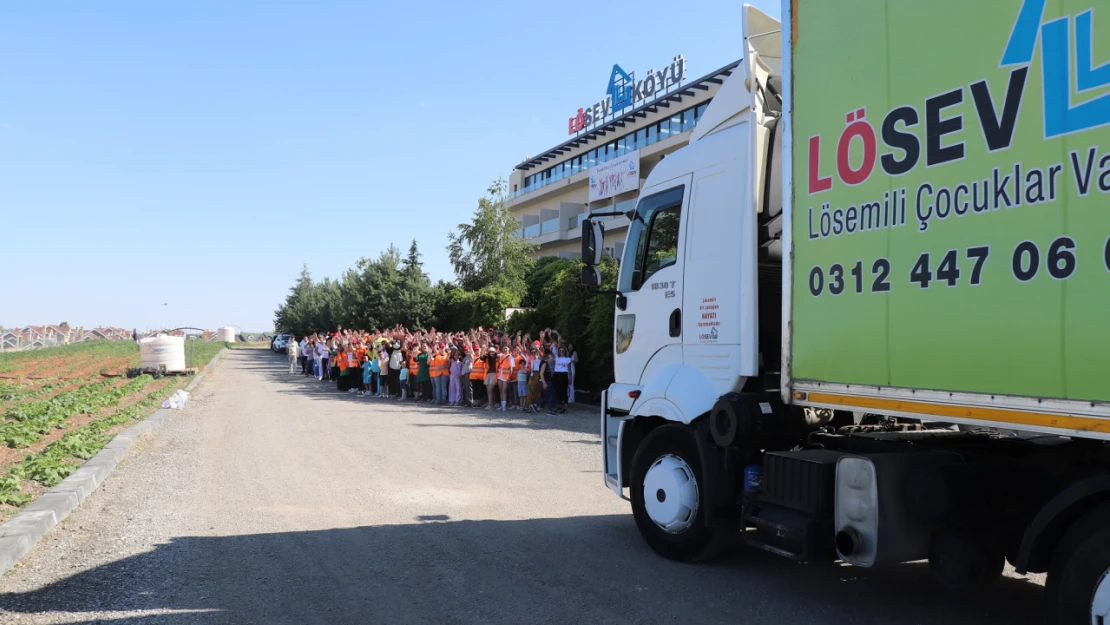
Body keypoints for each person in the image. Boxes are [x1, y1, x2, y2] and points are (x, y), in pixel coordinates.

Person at [554, 346, 571, 413]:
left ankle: (565, 408)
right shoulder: (556, 357)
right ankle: (559, 406)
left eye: (562, 351)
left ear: (565, 351)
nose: (561, 352)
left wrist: (570, 377)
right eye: (560, 351)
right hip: (557, 374)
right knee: (557, 391)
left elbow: (569, 370)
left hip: (564, 374)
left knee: (564, 391)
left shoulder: (567, 359)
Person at [496, 344, 513, 412]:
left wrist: (509, 377)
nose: (505, 350)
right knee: (500, 390)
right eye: (504, 348)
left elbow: (511, 368)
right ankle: (501, 405)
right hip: (500, 375)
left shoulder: (510, 357)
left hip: (506, 376)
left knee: (504, 390)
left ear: (508, 349)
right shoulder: (501, 356)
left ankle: (504, 406)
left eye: (506, 348)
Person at [539, 347, 555, 415]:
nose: (550, 356)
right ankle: (549, 410)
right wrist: (544, 383)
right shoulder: (544, 363)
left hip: (545, 381)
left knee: (548, 396)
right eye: (550, 355)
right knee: (552, 394)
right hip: (545, 381)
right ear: (548, 355)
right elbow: (541, 373)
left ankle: (536, 405)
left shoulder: (543, 362)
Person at [484, 347, 499, 411]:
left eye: (492, 352)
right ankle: (491, 404)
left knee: (490, 390)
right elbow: (481, 356)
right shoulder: (487, 358)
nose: (491, 353)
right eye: (490, 352)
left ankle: (491, 405)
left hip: (494, 374)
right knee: (489, 390)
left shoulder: (497, 357)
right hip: (487, 375)